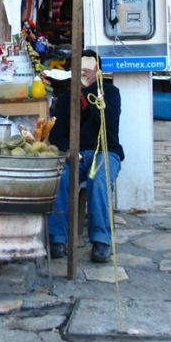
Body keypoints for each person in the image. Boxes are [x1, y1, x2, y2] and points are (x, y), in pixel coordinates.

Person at [47, 51, 124, 263]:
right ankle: (57, 238)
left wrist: (91, 93)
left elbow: (109, 124)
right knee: (59, 177)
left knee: (98, 178)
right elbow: (56, 136)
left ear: (97, 70)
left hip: (105, 151)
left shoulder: (110, 93)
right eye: (80, 69)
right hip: (76, 154)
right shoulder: (65, 99)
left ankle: (101, 241)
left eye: (89, 68)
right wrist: (68, 149)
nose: (84, 73)